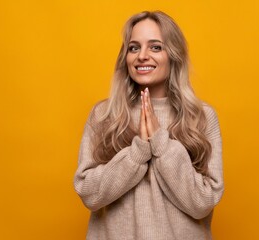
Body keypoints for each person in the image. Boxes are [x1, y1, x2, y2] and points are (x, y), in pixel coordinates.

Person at [74, 10, 224, 240]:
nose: (142, 56)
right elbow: (89, 194)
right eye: (134, 48)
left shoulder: (201, 117)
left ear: (173, 55)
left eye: (155, 47)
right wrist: (138, 152)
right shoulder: (103, 115)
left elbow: (203, 202)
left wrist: (161, 143)